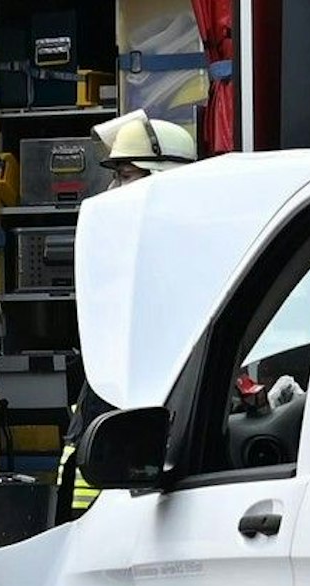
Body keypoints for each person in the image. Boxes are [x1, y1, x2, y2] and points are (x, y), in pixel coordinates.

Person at [59, 111, 200, 517]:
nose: (113, 187)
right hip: (101, 443)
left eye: (125, 174)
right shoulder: (127, 251)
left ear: (164, 177)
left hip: (136, 462)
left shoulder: (181, 260)